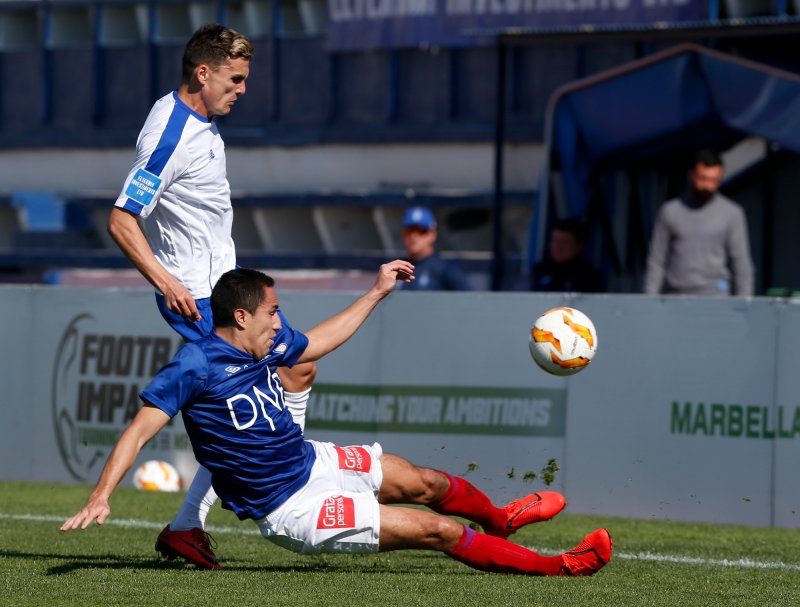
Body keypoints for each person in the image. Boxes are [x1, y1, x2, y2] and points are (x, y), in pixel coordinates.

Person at [61, 262, 613, 577]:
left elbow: (321, 340)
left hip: (312, 461)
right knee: (439, 530)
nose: (281, 323)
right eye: (273, 312)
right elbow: (138, 428)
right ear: (240, 315)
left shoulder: (263, 346)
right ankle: (559, 566)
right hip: (292, 508)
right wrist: (101, 494)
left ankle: (502, 521)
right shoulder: (195, 365)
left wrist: (376, 293)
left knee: (427, 482)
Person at [106, 23, 316, 569]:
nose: (242, 90)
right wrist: (166, 281)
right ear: (204, 72)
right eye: (235, 78)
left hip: (223, 288)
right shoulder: (171, 133)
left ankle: (188, 524)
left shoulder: (199, 120)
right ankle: (281, 486)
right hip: (199, 299)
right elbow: (123, 219)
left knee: (299, 370)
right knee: (276, 382)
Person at [644, 149, 755, 296]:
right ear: (691, 175)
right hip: (677, 296)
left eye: (714, 180)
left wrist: (745, 306)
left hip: (716, 297)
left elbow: (741, 264)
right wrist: (649, 300)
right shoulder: (670, 211)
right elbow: (656, 261)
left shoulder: (732, 213)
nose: (707, 186)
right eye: (703, 178)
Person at [397, 206, 471, 291]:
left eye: (421, 231)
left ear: (432, 234)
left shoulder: (446, 269)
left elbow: (468, 299)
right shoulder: (397, 267)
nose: (414, 236)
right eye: (409, 231)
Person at [531, 218, 604, 293]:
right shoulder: (539, 271)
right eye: (554, 240)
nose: (557, 247)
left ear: (578, 246)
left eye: (564, 241)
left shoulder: (589, 277)